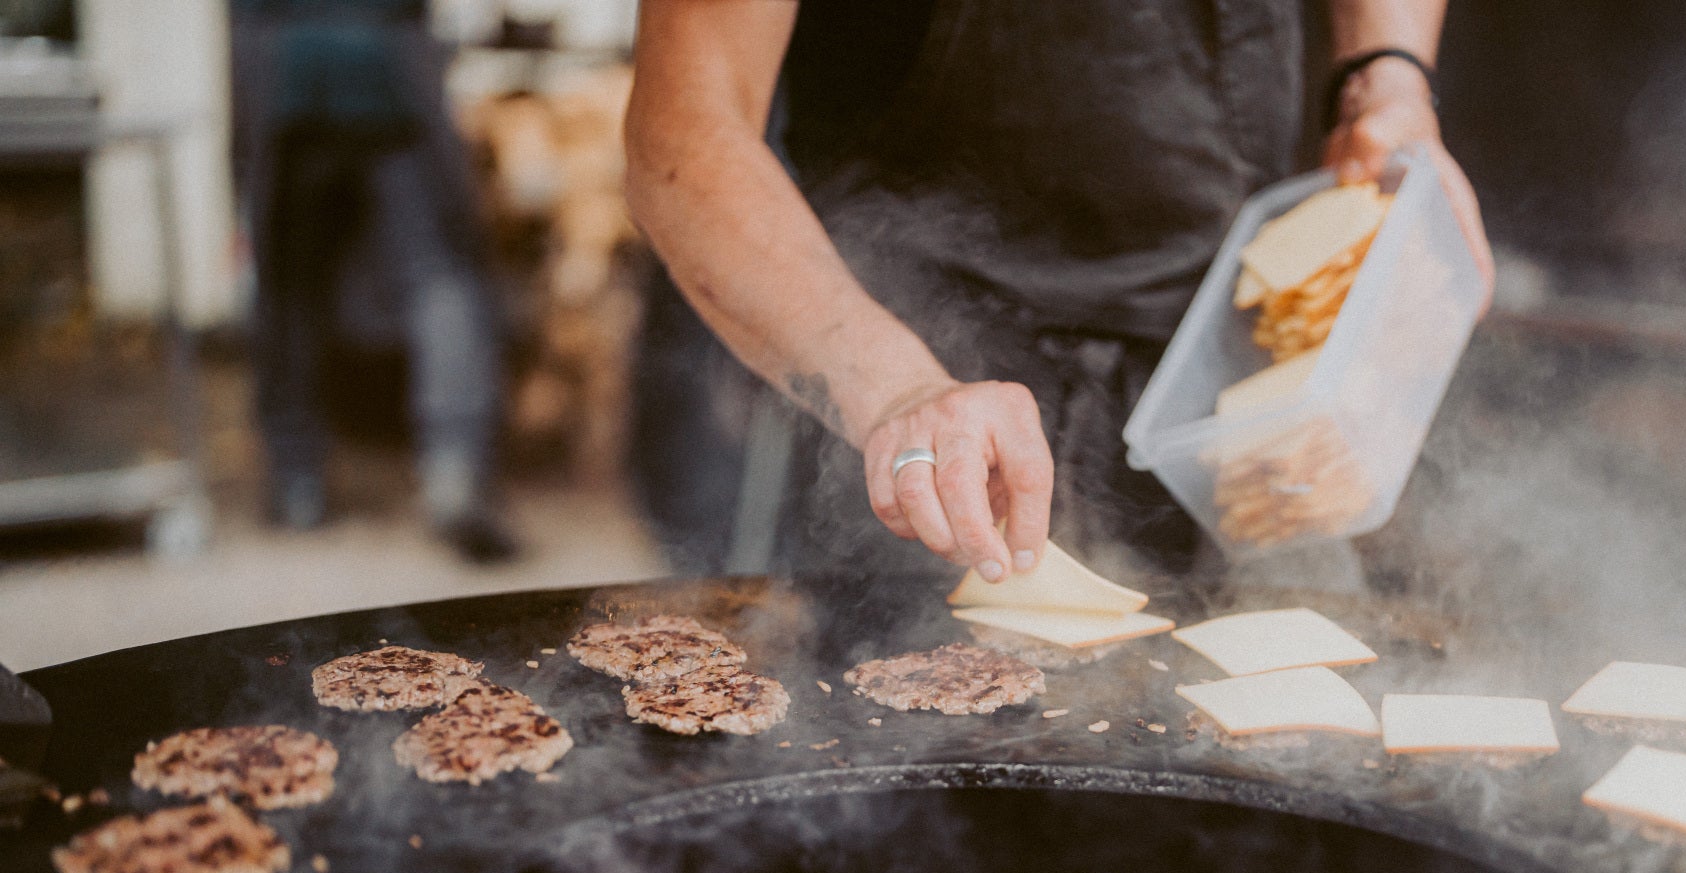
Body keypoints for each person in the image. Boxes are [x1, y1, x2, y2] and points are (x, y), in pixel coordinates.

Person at [624, 0, 1491, 584]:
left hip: (1227, 404)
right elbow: (684, 136)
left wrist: (1387, 74)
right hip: (934, 436)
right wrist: (904, 390)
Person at [232, 0, 517, 561]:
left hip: (286, 73)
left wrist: (240, 165)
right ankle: (454, 471)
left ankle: (297, 481)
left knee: (292, 291)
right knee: (440, 277)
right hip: (388, 73)